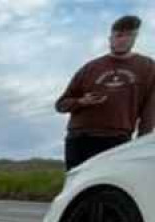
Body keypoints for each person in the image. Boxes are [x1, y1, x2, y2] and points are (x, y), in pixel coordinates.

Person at [56, 14, 155, 170]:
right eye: (119, 35)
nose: (123, 39)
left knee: (108, 191)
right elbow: (60, 105)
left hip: (116, 140)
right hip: (79, 137)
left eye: (129, 35)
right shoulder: (90, 67)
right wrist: (81, 101)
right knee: (77, 190)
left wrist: (141, 144)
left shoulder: (148, 67)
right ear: (110, 38)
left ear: (135, 37)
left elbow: (149, 110)